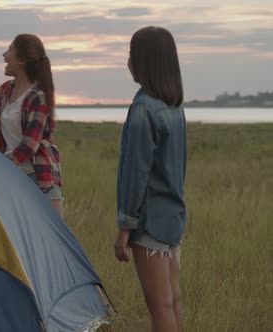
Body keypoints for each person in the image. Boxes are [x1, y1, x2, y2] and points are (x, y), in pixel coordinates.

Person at [114, 26, 187, 332]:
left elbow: (136, 173)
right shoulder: (173, 107)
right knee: (171, 302)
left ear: (144, 60)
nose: (128, 61)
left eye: (131, 54)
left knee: (158, 305)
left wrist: (125, 228)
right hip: (172, 217)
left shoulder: (144, 109)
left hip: (149, 221)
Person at [0, 34, 63, 216]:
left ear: (22, 60)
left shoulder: (38, 97)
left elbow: (28, 147)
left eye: (10, 50)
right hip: (15, 177)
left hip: (40, 180)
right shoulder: (7, 90)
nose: (4, 55)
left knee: (52, 243)